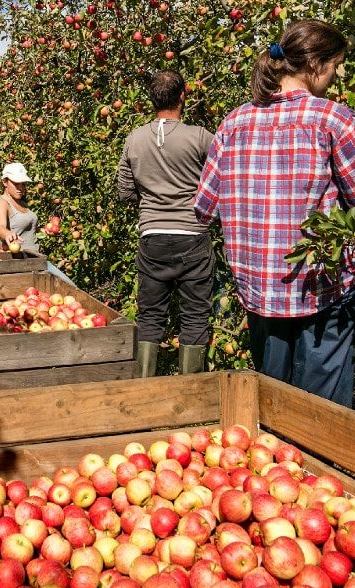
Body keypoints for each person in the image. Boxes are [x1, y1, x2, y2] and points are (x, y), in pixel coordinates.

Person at [194, 20, 355, 407]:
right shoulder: (335, 120)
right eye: (335, 65)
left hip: (260, 291)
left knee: (271, 406)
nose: (335, 76)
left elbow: (204, 208)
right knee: (322, 414)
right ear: (316, 64)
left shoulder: (234, 124)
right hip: (323, 287)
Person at [117, 70, 216, 377]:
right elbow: (221, 176)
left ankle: (146, 387)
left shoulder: (135, 139)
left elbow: (124, 191)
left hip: (153, 236)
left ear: (151, 100)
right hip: (192, 235)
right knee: (195, 315)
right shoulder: (199, 137)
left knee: (150, 316)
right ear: (182, 96)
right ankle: (189, 394)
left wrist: (151, 202)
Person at [0, 162, 76, 286]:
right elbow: (0, 227)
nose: (20, 188)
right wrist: (8, 234)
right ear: (5, 182)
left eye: (23, 184)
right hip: (21, 262)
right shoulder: (2, 203)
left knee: (69, 289)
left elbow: (26, 229)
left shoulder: (22, 203)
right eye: (16, 184)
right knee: (70, 288)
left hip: (37, 260)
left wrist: (45, 230)